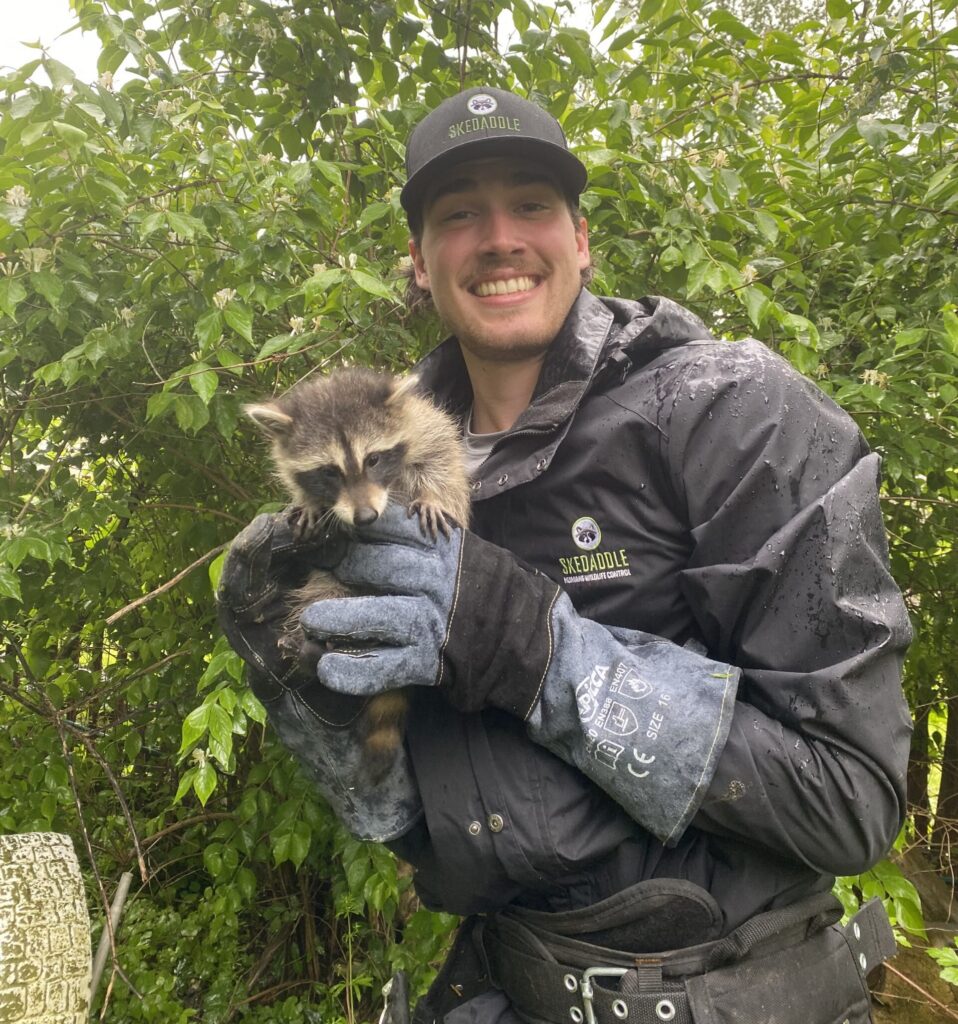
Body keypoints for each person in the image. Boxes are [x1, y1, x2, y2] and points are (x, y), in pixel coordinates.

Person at [218, 87, 912, 1024]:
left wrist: (533, 648)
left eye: (532, 204)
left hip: (734, 990)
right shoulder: (377, 446)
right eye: (459, 213)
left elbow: (850, 801)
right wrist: (317, 706)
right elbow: (416, 819)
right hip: (505, 983)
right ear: (419, 263)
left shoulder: (729, 412)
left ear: (581, 239)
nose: (499, 237)